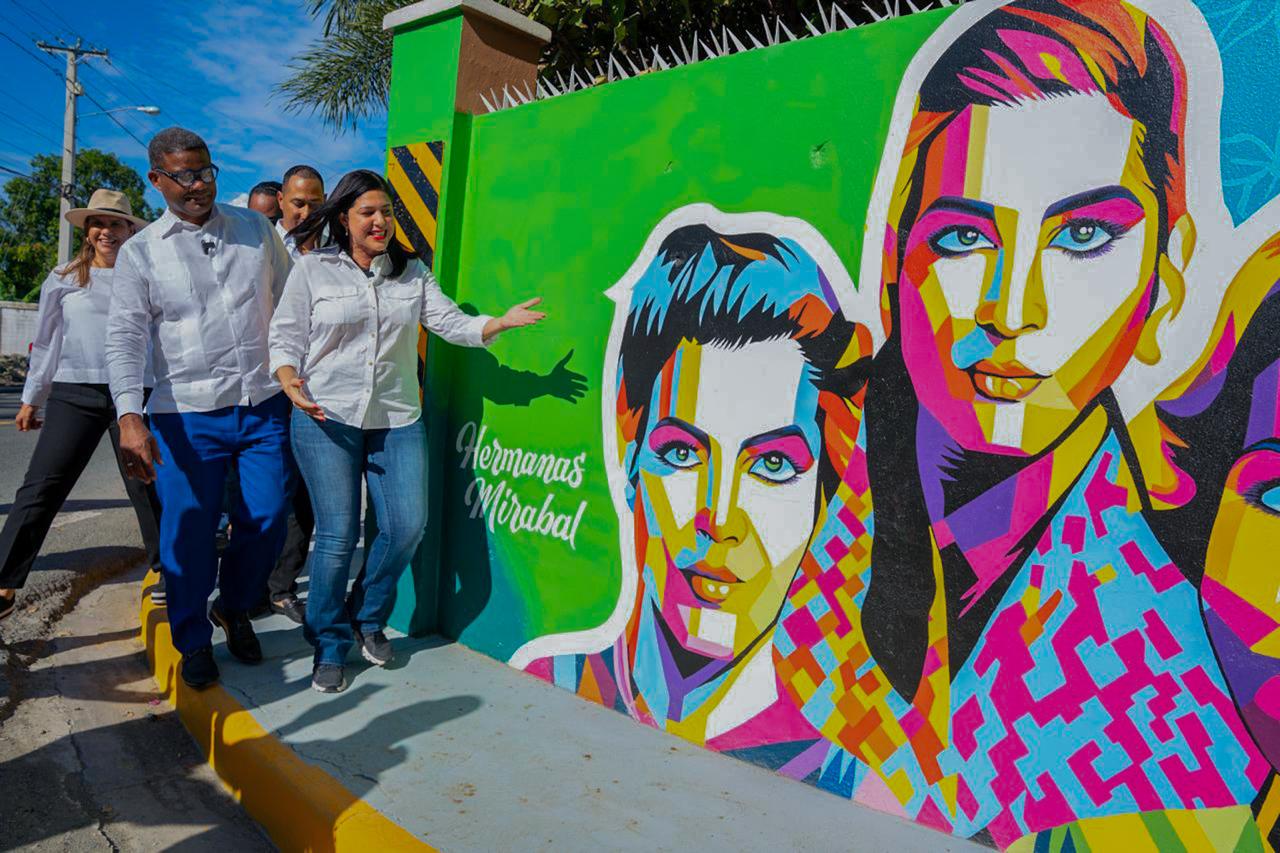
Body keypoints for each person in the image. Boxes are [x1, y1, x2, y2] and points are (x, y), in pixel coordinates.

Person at [770, 1, 1271, 847]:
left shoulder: (1180, 708)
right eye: (965, 237)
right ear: (894, 258)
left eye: (1084, 234)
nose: (1013, 309)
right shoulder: (819, 482)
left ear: (1168, 279)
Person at [522, 222, 865, 747]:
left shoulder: (846, 773)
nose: (719, 521)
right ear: (631, 456)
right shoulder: (548, 684)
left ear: (825, 494)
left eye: (773, 464)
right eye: (682, 454)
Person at [269, 169, 545, 694]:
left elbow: (450, 323)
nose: (380, 221)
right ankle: (328, 643)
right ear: (344, 218)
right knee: (337, 536)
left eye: (387, 212)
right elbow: (284, 336)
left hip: (396, 418)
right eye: (368, 212)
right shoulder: (313, 270)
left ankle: (366, 617)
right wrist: (287, 379)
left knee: (407, 525)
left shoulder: (411, 272)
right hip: (325, 416)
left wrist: (499, 323)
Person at [107, 127, 294, 690]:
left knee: (267, 520)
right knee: (188, 534)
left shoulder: (256, 229)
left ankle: (233, 608)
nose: (198, 185)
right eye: (184, 176)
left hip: (261, 403)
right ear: (157, 179)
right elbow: (125, 338)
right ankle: (191, 640)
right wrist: (129, 416)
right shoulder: (141, 253)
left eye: (205, 172)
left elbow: (292, 304)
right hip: (183, 414)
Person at [0, 190, 160, 620]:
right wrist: (32, 398)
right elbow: (47, 341)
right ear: (87, 232)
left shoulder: (146, 276)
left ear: (130, 230)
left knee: (147, 485)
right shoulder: (64, 277)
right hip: (76, 392)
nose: (106, 231)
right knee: (41, 486)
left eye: (115, 223)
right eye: (98, 224)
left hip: (137, 393)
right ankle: (3, 582)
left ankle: (167, 570)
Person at [257, 164, 327, 625]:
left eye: (315, 203)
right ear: (281, 200)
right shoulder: (260, 245)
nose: (305, 212)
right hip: (267, 383)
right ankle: (249, 582)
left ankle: (281, 586)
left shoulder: (335, 251)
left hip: (317, 383)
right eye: (298, 202)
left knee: (305, 491)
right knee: (268, 489)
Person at [275, 165, 326, 259]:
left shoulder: (335, 250)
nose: (306, 214)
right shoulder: (266, 247)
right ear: (281, 200)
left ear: (324, 201)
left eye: (314, 205)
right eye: (298, 204)